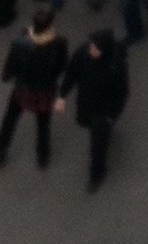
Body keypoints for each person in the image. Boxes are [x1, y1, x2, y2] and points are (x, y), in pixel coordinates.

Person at [0, 5, 69, 168]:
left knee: (10, 118)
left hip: (23, 88)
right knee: (43, 123)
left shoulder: (21, 41)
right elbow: (62, 66)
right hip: (45, 90)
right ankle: (43, 155)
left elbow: (11, 64)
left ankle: (0, 148)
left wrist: (6, 75)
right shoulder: (59, 43)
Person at [56, 29, 129, 192]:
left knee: (97, 146)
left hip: (103, 112)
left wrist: (111, 115)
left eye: (96, 49)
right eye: (92, 47)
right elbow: (71, 73)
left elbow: (122, 93)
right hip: (87, 103)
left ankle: (97, 174)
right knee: (90, 128)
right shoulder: (83, 53)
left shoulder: (115, 65)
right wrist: (62, 95)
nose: (92, 51)